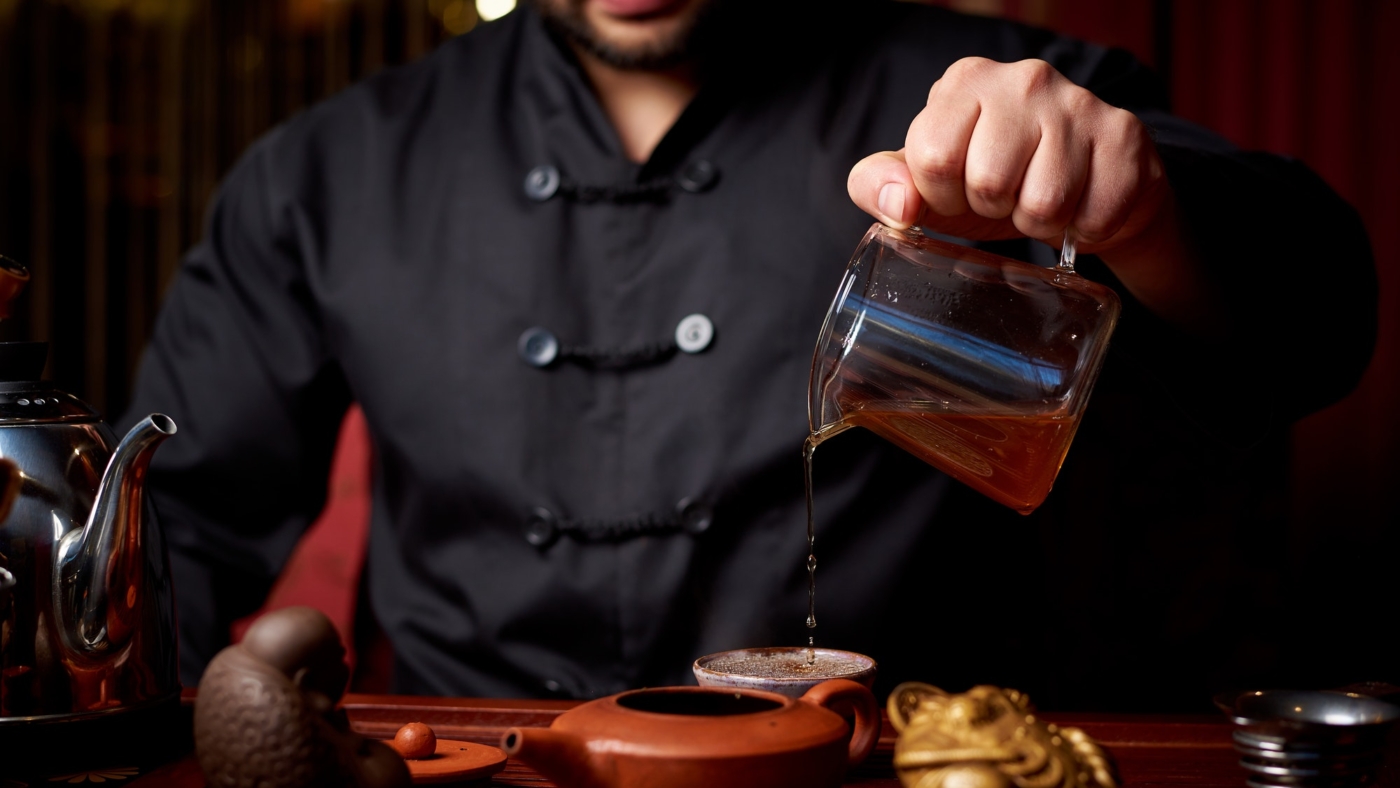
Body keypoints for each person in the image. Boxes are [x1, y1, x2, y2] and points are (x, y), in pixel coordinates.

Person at [123, 0, 1376, 710]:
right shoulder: (330, 169)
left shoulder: (962, 79)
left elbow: (1316, 308)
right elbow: (164, 528)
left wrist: (1142, 212)